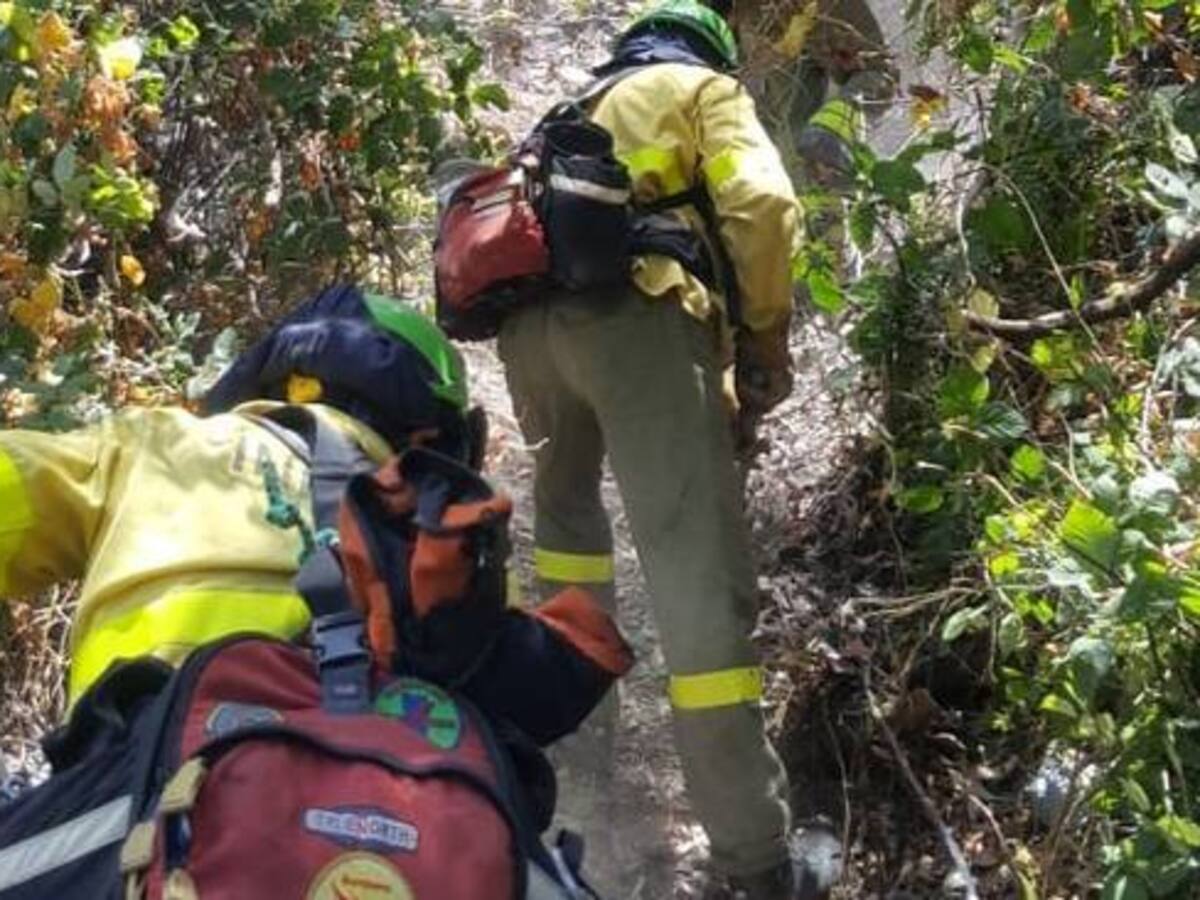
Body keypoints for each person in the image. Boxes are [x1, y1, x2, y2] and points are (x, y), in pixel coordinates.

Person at [495, 2, 824, 896]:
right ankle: (753, 856)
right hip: (637, 321)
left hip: (532, 339)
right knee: (693, 573)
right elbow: (762, 204)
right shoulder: (700, 89)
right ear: (709, 51)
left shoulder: (567, 113)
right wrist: (763, 343)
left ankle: (574, 787)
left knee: (567, 549)